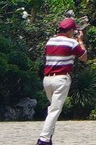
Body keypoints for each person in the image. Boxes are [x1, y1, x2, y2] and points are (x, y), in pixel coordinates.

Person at [37, 16, 85, 145]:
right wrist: (80, 41)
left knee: (52, 108)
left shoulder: (50, 41)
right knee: (55, 110)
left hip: (47, 79)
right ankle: (43, 139)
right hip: (61, 79)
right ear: (70, 30)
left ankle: (48, 138)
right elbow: (84, 57)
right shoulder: (72, 43)